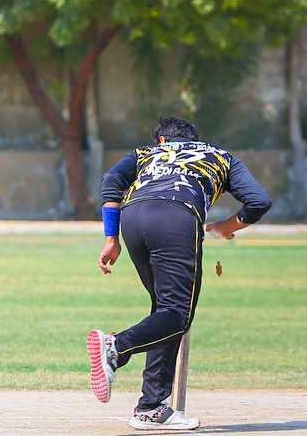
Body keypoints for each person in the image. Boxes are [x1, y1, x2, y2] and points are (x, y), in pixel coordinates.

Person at [88, 116, 271, 430]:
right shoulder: (220, 156)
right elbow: (259, 201)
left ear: (162, 140)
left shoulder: (145, 153)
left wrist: (110, 239)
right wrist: (225, 227)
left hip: (133, 218)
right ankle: (116, 347)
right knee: (177, 315)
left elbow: (111, 180)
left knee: (165, 313)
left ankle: (150, 408)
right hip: (176, 217)